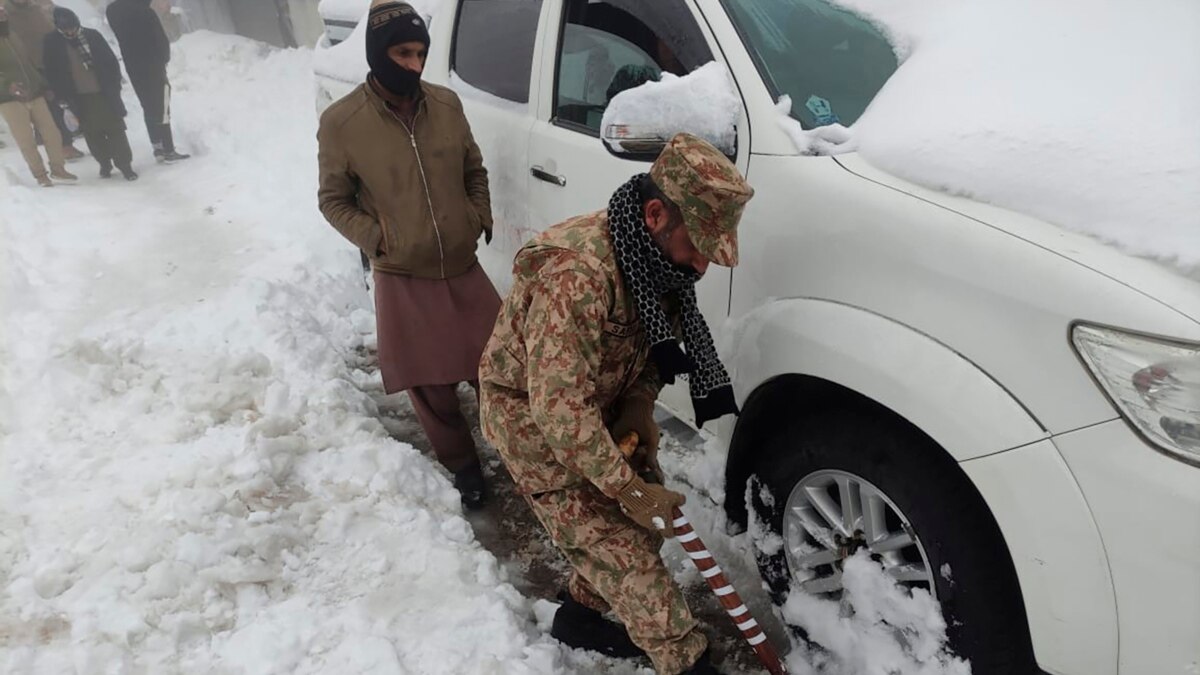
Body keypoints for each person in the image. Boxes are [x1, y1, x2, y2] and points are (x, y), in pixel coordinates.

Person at [479, 132, 754, 675]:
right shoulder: (578, 273)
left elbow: (649, 351)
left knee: (634, 530)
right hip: (532, 421)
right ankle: (689, 663)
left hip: (596, 404)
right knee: (633, 565)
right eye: (698, 244)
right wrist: (627, 488)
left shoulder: (660, 266)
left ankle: (581, 617)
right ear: (656, 214)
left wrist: (638, 404)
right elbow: (557, 409)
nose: (702, 265)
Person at [317, 0, 500, 510]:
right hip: (403, 271)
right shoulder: (342, 122)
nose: (414, 65)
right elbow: (332, 199)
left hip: (462, 265)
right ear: (379, 53)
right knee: (431, 383)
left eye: (421, 53)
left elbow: (474, 171)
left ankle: (518, 452)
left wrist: (476, 216)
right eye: (402, 52)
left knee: (498, 367)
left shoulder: (446, 105)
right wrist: (380, 239)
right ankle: (464, 466)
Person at [44, 7, 136, 180]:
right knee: (92, 134)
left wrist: (115, 84)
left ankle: (125, 165)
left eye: (73, 28)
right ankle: (104, 164)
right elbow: (52, 72)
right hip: (78, 98)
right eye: (66, 30)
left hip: (104, 93)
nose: (70, 32)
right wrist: (60, 97)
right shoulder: (52, 43)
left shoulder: (92, 36)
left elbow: (110, 61)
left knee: (116, 130)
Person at [0, 5, 75, 186]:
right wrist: (6, 86)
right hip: (10, 99)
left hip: (34, 91)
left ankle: (58, 169)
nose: (2, 13)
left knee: (52, 132)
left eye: (2, 11)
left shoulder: (12, 35)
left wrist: (43, 85)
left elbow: (28, 63)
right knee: (26, 139)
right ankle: (40, 175)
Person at [105, 0, 188, 162]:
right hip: (153, 65)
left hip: (133, 66)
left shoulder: (113, 11)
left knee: (147, 105)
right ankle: (169, 149)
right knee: (162, 106)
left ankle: (157, 147)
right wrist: (164, 58)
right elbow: (160, 39)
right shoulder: (145, 12)